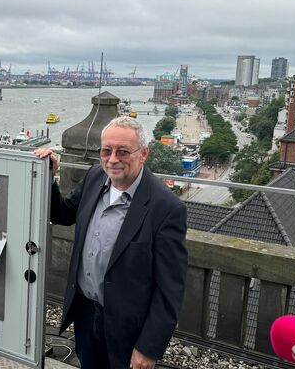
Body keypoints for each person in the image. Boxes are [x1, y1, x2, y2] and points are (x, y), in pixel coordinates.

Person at [35, 116, 188, 369]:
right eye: (106, 150)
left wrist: (148, 348)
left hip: (128, 327)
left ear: (144, 154)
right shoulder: (95, 177)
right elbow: (62, 213)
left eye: (123, 151)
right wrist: (49, 177)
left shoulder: (167, 208)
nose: (113, 159)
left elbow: (170, 289)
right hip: (85, 312)